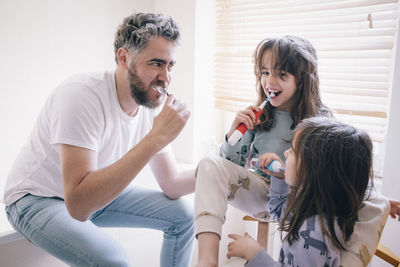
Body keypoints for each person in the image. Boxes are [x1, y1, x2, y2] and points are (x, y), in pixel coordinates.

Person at [3, 12, 195, 267]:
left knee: (183, 216)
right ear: (124, 57)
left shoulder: (150, 104)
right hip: (36, 199)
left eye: (170, 65)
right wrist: (155, 138)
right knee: (113, 259)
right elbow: (79, 206)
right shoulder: (81, 95)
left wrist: (221, 168)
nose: (166, 77)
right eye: (156, 63)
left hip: (93, 195)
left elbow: (171, 184)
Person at [194, 36, 331, 267]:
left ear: (303, 80)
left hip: (295, 204)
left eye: (281, 74)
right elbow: (229, 167)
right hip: (259, 194)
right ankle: (206, 261)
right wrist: (233, 134)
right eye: (265, 72)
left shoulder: (320, 122)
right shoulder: (258, 115)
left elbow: (335, 171)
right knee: (208, 164)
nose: (270, 82)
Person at [226, 117, 390, 266]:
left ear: (314, 170)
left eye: (293, 150)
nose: (285, 153)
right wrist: (280, 177)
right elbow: (277, 211)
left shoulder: (315, 232)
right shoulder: (318, 208)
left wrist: (254, 253)